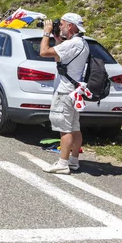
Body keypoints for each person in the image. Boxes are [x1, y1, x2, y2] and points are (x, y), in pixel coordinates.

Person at [39, 13, 90, 174]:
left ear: (70, 26)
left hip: (64, 92)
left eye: (61, 24)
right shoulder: (81, 43)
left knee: (65, 129)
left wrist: (46, 33)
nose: (59, 26)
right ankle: (74, 161)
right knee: (75, 128)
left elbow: (44, 52)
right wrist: (57, 39)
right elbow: (59, 59)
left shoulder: (72, 44)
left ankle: (63, 163)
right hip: (73, 92)